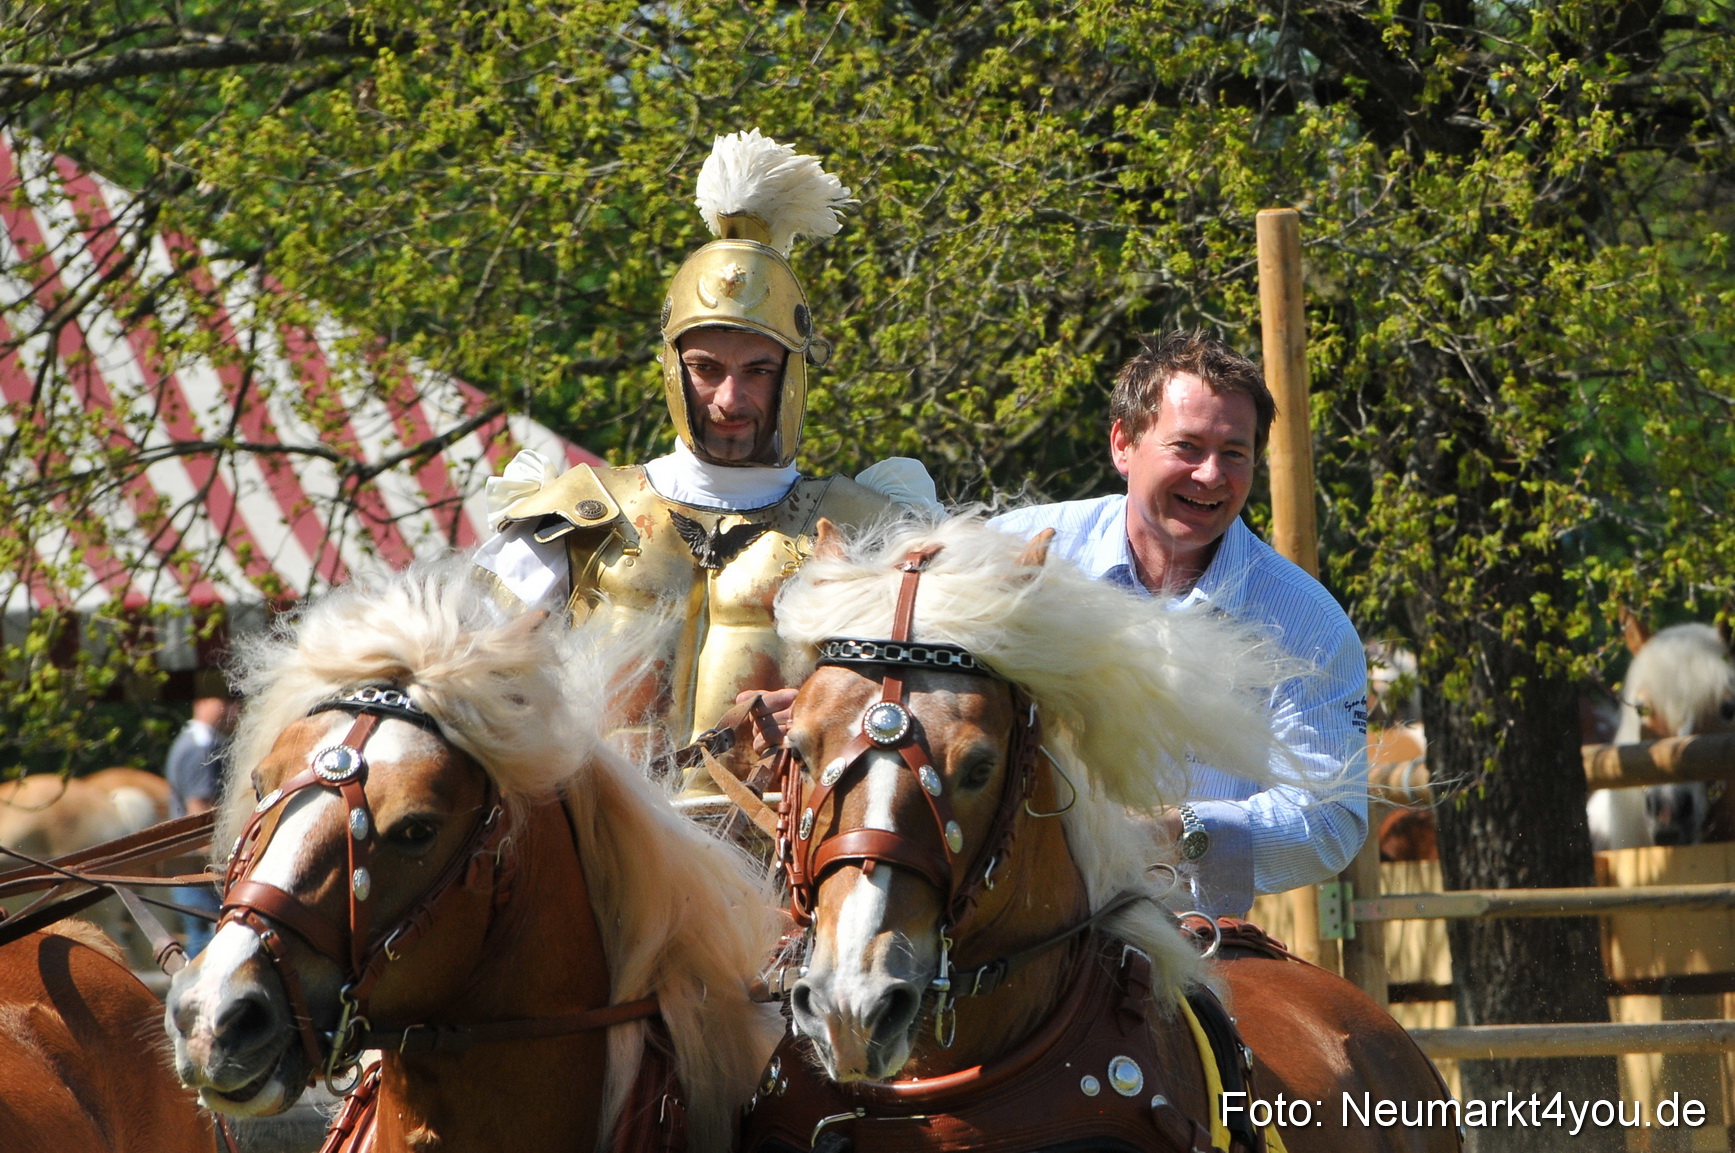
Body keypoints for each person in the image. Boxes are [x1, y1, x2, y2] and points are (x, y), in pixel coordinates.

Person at [476, 129, 937, 786]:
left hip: (783, 870)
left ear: (792, 376)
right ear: (672, 369)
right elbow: (462, 685)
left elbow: (939, 713)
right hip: (600, 858)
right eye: (705, 368)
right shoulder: (580, 515)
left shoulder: (870, 529)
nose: (730, 397)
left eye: (756, 370)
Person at [992, 331, 1368, 917]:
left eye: (1234, 453)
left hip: (1185, 940)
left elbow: (1331, 818)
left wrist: (1178, 831)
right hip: (1001, 924)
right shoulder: (1015, 556)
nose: (1212, 474)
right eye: (1187, 446)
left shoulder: (1305, 623)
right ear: (1124, 444)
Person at [164, 686, 235, 954]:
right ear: (203, 701)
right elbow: (200, 812)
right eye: (227, 701)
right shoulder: (201, 747)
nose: (235, 710)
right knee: (208, 937)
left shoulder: (196, 741)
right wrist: (218, 865)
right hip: (199, 866)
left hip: (190, 865)